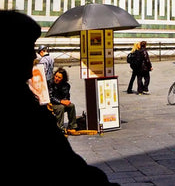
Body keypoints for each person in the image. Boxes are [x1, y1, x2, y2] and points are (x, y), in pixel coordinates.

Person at [0, 10, 119, 183]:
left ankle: (72, 125)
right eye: (28, 47)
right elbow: (63, 160)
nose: (33, 55)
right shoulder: (24, 109)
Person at [49, 67, 78, 132]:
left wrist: (65, 101)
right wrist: (61, 101)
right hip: (51, 104)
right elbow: (50, 97)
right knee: (61, 107)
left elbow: (66, 97)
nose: (56, 78)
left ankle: (72, 126)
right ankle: (60, 127)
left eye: (59, 77)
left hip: (61, 103)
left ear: (63, 79)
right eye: (56, 76)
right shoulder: (50, 83)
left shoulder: (66, 85)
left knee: (71, 106)